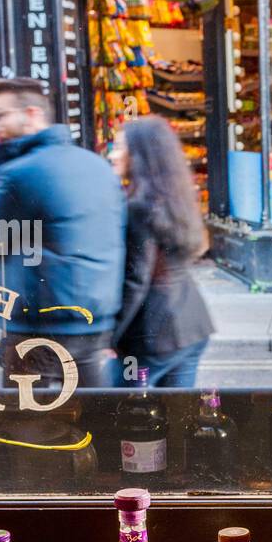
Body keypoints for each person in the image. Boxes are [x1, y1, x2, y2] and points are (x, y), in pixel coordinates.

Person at [0, 77, 125, 388]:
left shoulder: (18, 173)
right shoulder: (96, 166)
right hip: (94, 325)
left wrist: (1, 167)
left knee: (27, 429)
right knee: (94, 420)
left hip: (36, 328)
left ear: (32, 114)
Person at [109, 116, 215, 387]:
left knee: (117, 408)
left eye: (121, 147)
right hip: (193, 325)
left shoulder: (138, 208)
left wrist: (109, 337)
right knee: (178, 419)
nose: (113, 154)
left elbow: (136, 280)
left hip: (155, 335)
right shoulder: (174, 199)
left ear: (140, 155)